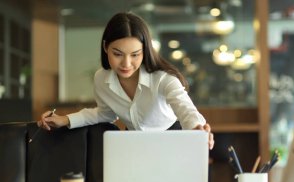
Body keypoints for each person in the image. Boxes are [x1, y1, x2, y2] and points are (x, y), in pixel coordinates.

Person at [38, 12, 214, 149]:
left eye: (135, 55)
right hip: (133, 141)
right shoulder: (101, 78)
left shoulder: (163, 79)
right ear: (106, 47)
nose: (126, 64)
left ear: (145, 50)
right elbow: (106, 113)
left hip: (171, 137)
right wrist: (65, 120)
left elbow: (185, 108)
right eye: (118, 54)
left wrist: (197, 128)